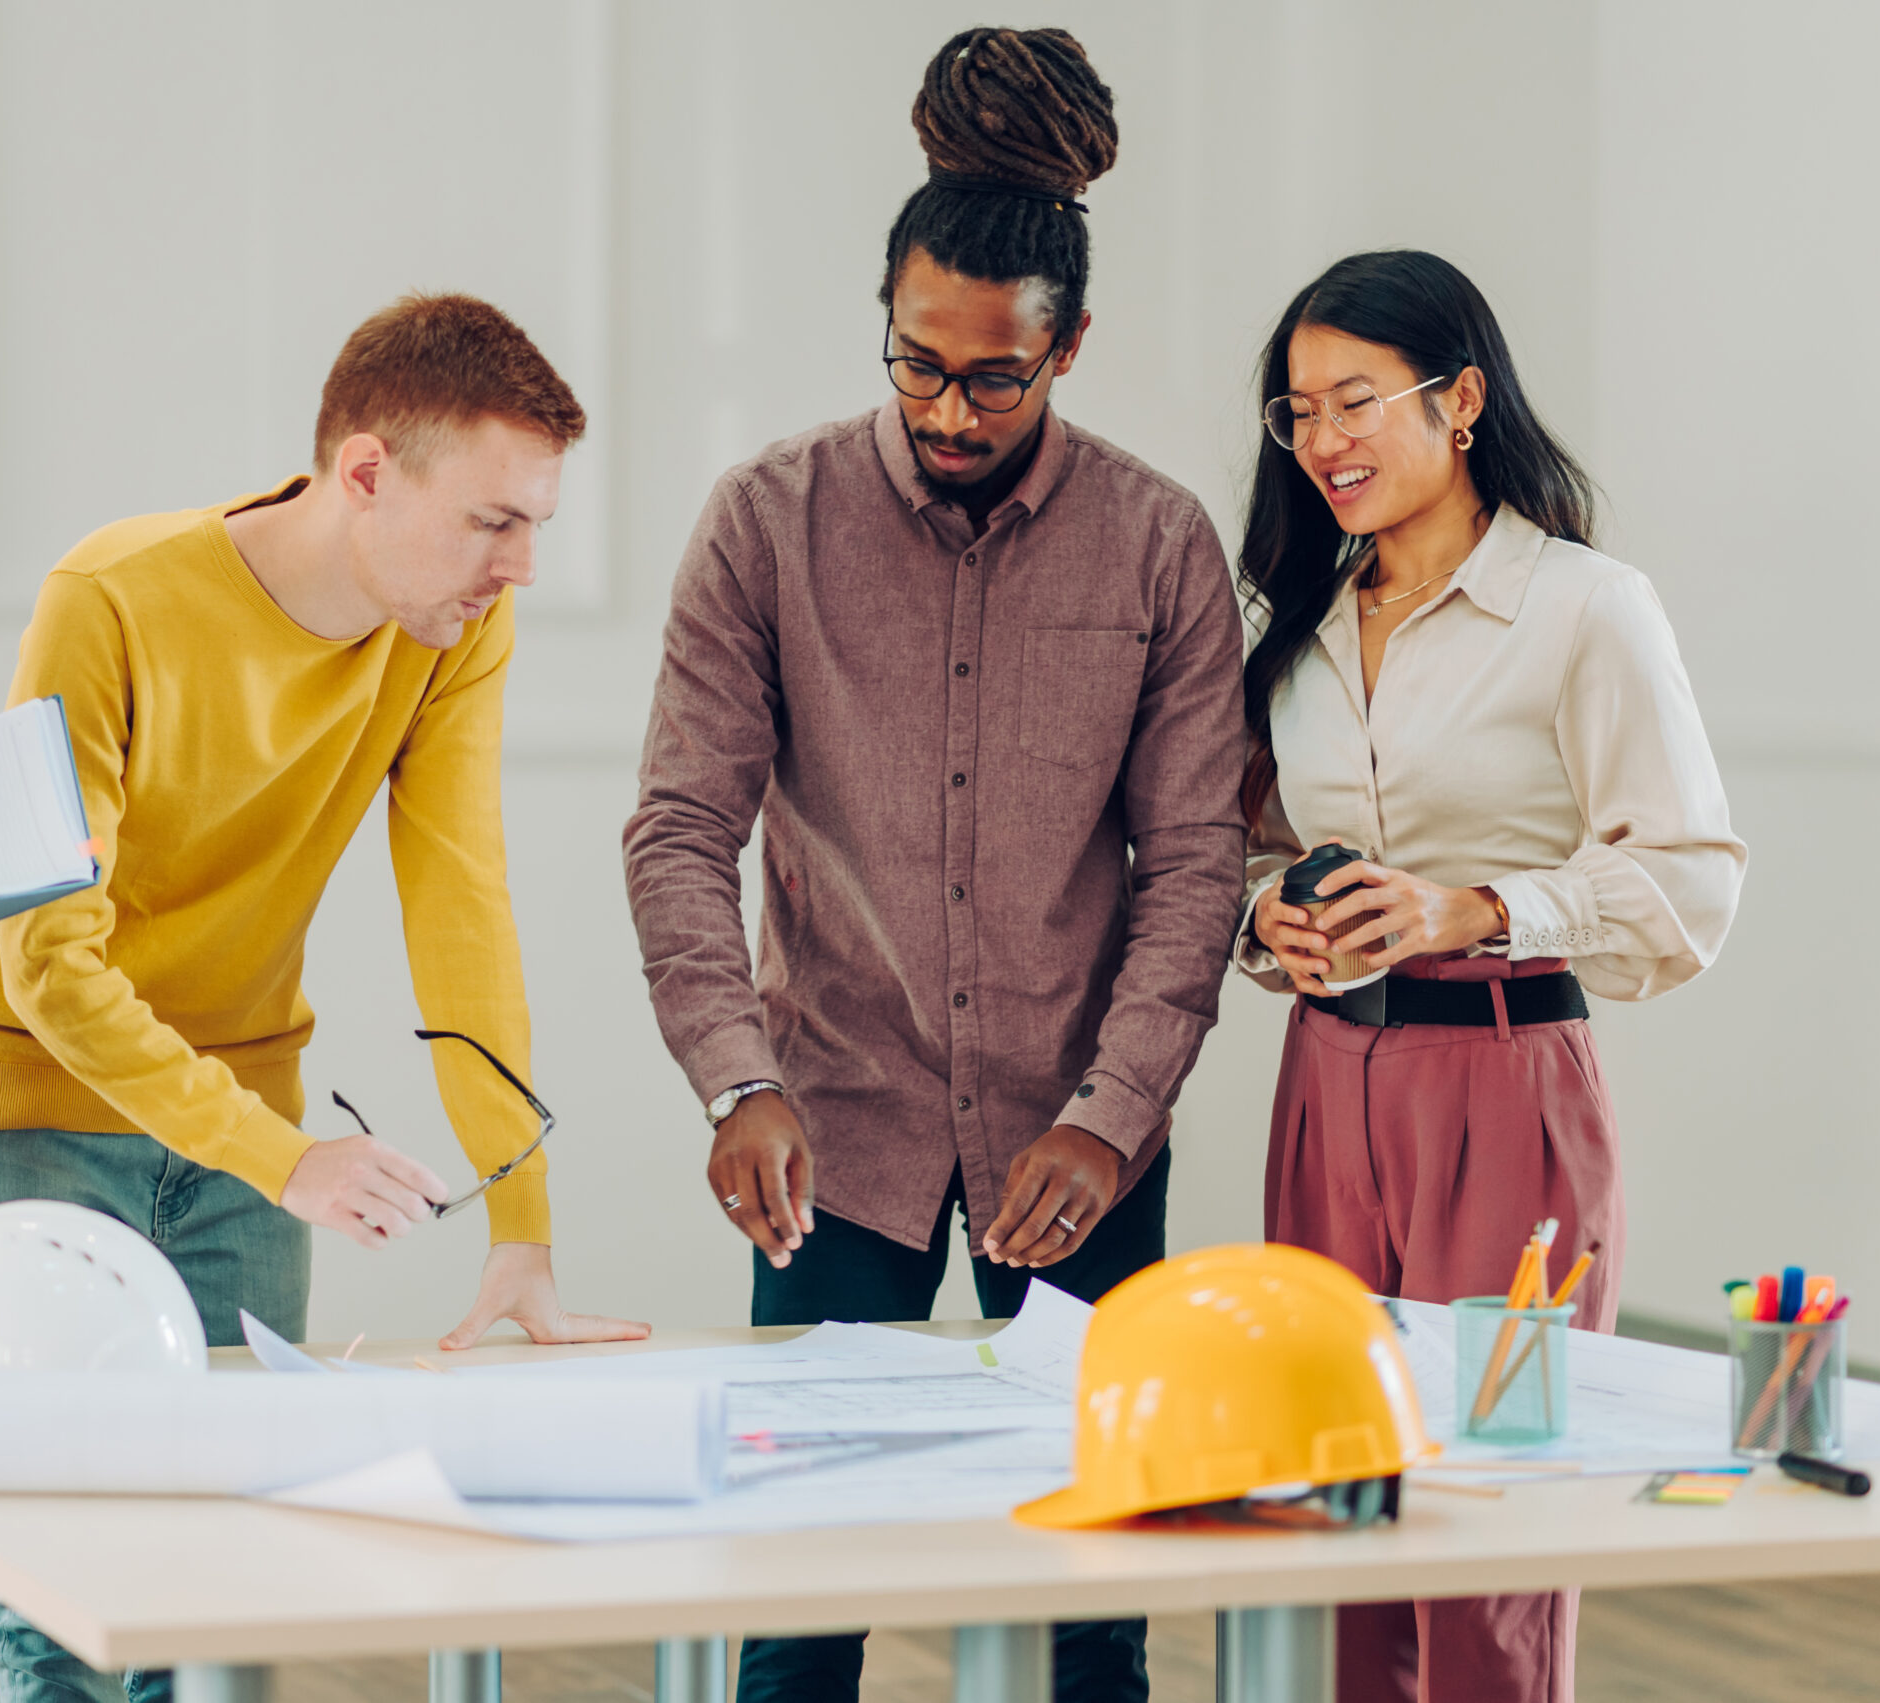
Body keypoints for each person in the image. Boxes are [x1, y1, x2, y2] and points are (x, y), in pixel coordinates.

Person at [0, 293, 648, 1703]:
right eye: (496, 520)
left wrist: (521, 1219)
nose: (526, 564)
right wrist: (285, 1157)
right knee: (69, 1579)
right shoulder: (109, 600)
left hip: (250, 1114)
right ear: (366, 472)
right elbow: (49, 967)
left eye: (538, 523)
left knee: (232, 1572)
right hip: (33, 1110)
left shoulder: (448, 630)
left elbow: (462, 908)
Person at [624, 28, 1245, 1703]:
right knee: (807, 1593)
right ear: (884, 320)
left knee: (1093, 1599)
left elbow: (1195, 867)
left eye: (996, 377)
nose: (949, 409)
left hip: (1083, 1131)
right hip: (832, 1124)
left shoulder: (1160, 543)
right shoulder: (767, 519)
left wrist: (1113, 1116)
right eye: (916, 365)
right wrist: (728, 1079)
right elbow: (684, 824)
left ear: (1072, 348)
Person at [1233, 250, 1746, 1703]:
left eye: (1354, 401)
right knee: (1329, 1502)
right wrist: (1271, 916)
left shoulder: (1588, 607)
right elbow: (1236, 853)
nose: (1322, 439)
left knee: (1493, 1520)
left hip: (1511, 1094)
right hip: (1327, 1090)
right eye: (1296, 411)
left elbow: (1693, 883)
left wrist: (1477, 908)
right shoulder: (1302, 625)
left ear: (1460, 401)